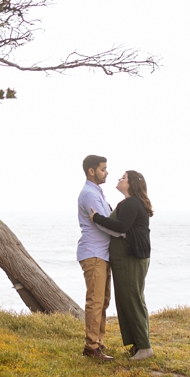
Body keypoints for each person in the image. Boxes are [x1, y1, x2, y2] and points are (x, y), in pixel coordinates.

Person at [90, 170, 154, 360]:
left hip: (131, 257)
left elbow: (121, 226)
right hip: (128, 258)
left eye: (123, 178)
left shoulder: (131, 202)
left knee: (132, 299)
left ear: (131, 183)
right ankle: (138, 345)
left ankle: (144, 347)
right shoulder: (130, 203)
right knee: (127, 299)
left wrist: (96, 219)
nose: (119, 179)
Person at [76, 154, 123, 361]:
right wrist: (124, 233)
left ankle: (98, 343)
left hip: (102, 254)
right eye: (103, 169)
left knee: (103, 300)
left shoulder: (98, 193)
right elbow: (102, 223)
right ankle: (91, 347)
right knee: (95, 301)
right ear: (91, 171)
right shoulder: (89, 194)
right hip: (93, 253)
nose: (107, 172)